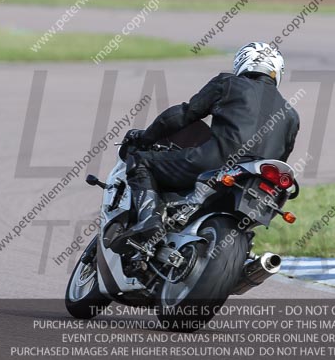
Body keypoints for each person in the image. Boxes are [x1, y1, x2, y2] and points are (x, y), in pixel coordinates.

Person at [107, 42, 300, 252]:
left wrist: (145, 137)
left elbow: (183, 115)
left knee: (142, 160)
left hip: (216, 163)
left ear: (243, 63)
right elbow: (282, 158)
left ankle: (148, 220)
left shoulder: (228, 83)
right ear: (277, 72)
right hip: (255, 181)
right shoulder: (291, 115)